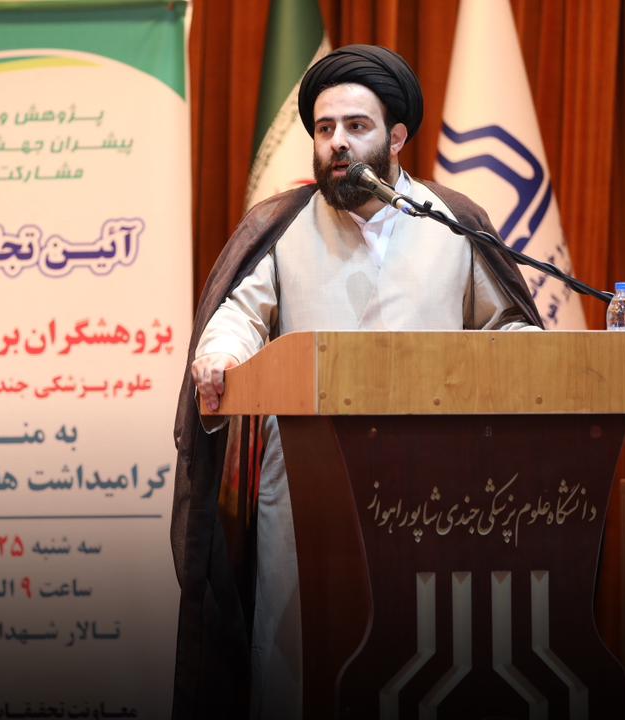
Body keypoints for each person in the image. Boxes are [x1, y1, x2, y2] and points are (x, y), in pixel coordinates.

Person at [170, 44, 544, 720]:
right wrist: (219, 356)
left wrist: (538, 360)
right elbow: (239, 317)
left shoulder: (451, 221)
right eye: (324, 128)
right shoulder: (282, 225)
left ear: (396, 137)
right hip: (306, 483)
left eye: (356, 126)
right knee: (298, 659)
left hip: (435, 487)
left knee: (422, 653)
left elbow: (508, 327)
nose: (337, 142)